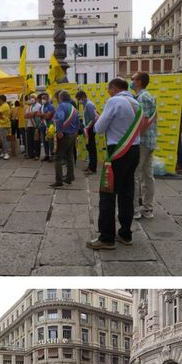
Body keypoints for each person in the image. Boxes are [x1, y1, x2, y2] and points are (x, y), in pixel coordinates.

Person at [86, 78, 141, 251]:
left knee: (107, 194)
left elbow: (99, 128)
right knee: (126, 193)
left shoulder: (114, 101)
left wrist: (98, 118)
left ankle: (107, 237)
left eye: (109, 89)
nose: (109, 92)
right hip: (134, 150)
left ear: (113, 88)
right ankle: (125, 234)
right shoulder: (135, 102)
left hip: (117, 151)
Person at [131, 72, 158, 219]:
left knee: (136, 175)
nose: (131, 81)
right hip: (150, 141)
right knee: (148, 175)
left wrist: (134, 137)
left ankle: (136, 209)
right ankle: (147, 208)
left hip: (142, 141)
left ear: (139, 81)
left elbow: (145, 122)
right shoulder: (149, 96)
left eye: (133, 79)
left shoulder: (142, 98)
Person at [50, 91, 81, 187]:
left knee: (58, 157)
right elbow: (78, 122)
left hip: (64, 134)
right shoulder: (73, 108)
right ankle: (70, 177)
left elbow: (60, 118)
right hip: (73, 134)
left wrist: (59, 130)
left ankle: (59, 181)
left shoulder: (61, 106)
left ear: (61, 98)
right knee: (69, 156)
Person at [75, 90, 98, 174]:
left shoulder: (89, 105)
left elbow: (94, 119)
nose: (79, 101)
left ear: (83, 97)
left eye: (79, 99)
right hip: (87, 129)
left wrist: (87, 128)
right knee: (89, 148)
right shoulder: (86, 104)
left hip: (90, 129)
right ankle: (90, 166)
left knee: (92, 149)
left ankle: (93, 168)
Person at [0, 94, 11, 159]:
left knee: (4, 139)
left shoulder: (5, 105)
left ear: (1, 99)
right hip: (1, 124)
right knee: (2, 139)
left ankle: (6, 153)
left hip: (3, 124)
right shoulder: (2, 106)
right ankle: (4, 152)